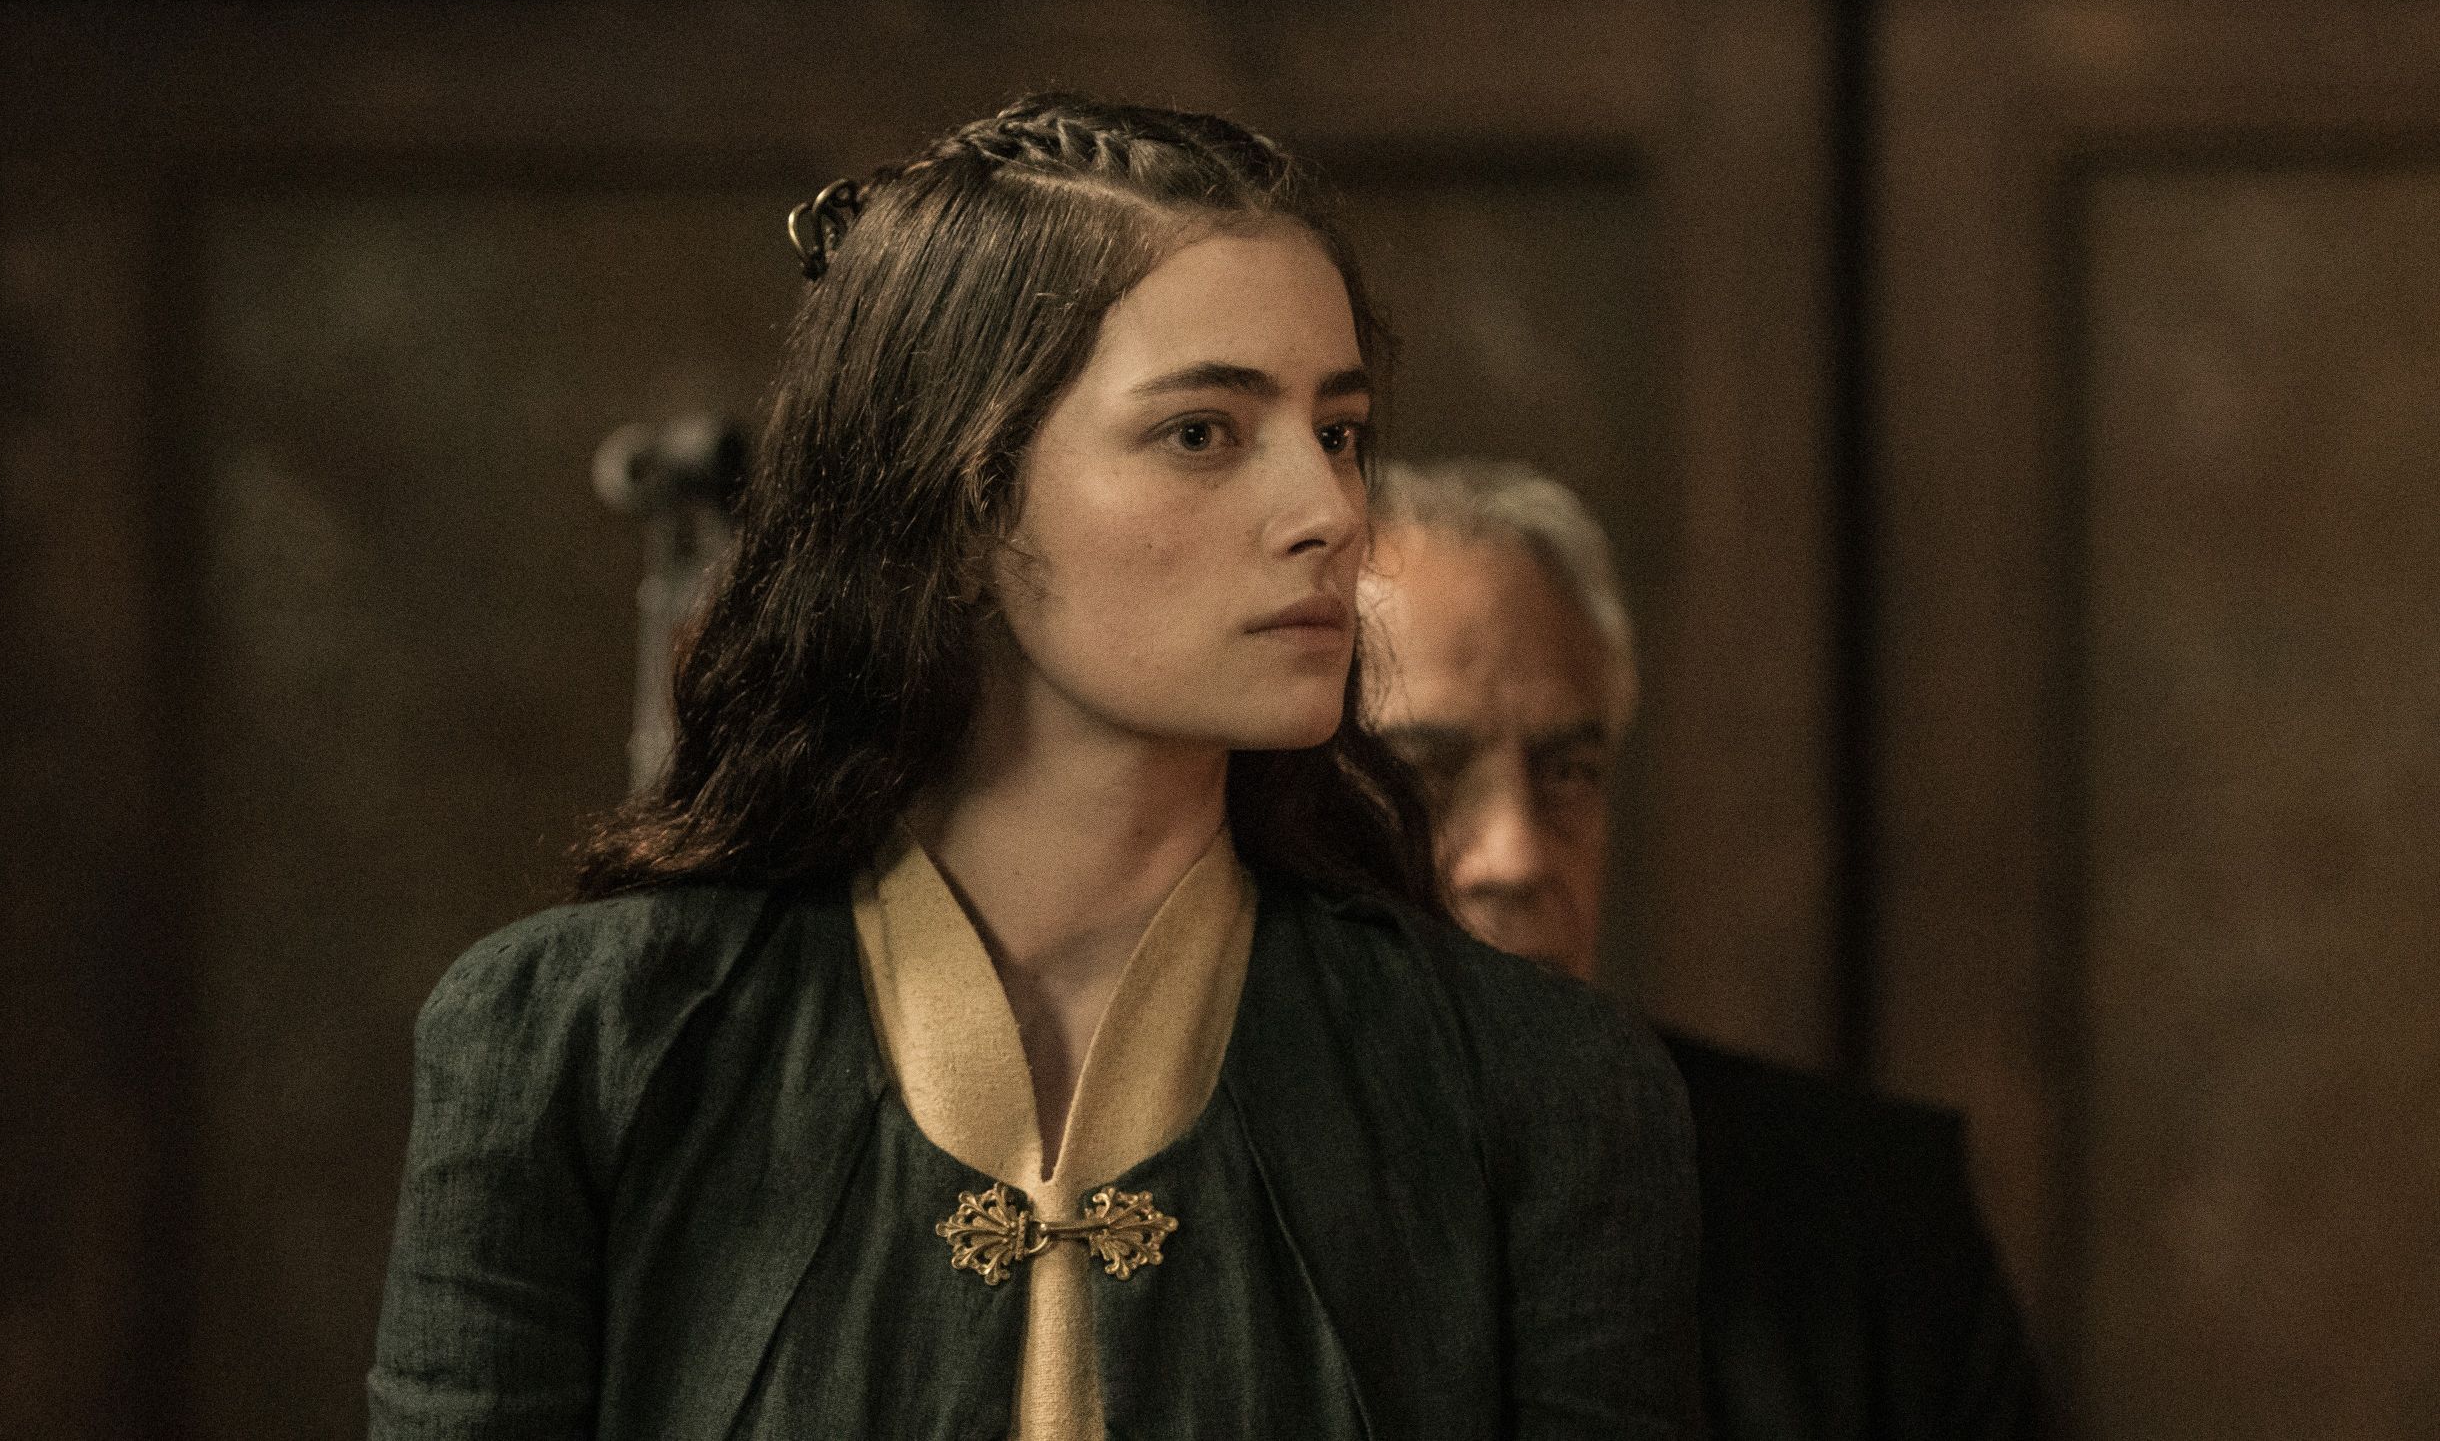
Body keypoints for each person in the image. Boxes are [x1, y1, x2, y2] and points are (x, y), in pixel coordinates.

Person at [369, 98, 1700, 1440]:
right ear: (963, 501)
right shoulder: (573, 1046)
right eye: (1202, 433)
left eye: (1338, 432)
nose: (1330, 513)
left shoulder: (1537, 1091)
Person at [1362, 458, 2044, 1441]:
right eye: (1422, 776)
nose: (1517, 857)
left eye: (1568, 772)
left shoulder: (1867, 1222)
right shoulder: (1177, 1198)